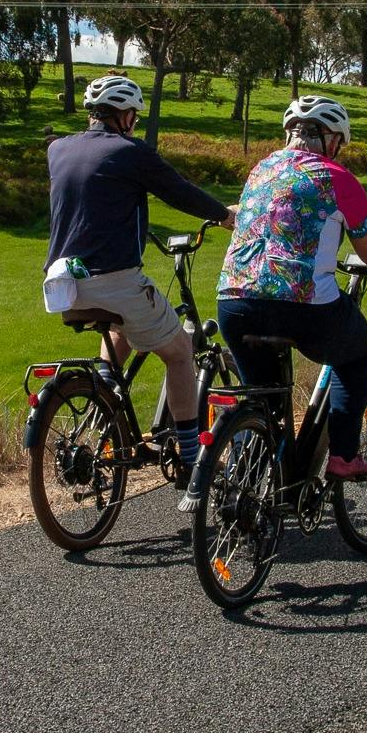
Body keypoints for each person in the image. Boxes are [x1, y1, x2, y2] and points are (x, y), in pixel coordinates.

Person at [193, 95, 367, 511]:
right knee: (357, 354)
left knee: (261, 397)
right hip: (302, 306)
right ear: (332, 139)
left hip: (233, 301)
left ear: (290, 133)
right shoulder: (337, 177)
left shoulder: (260, 170)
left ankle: (253, 485)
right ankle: (342, 457)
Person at [46, 74, 235, 475]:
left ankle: (105, 407)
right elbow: (178, 190)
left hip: (62, 284)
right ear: (126, 115)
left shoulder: (58, 149)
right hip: (113, 279)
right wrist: (223, 215)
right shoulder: (130, 151)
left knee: (120, 330)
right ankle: (190, 456)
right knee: (180, 352)